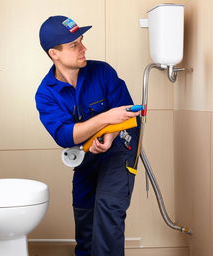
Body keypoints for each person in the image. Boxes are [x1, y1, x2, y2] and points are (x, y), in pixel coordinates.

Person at [35, 15, 140, 256]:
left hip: (119, 150)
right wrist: (104, 120)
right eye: (74, 45)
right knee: (85, 215)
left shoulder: (102, 72)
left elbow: (127, 115)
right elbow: (65, 136)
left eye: (81, 41)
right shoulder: (46, 94)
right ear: (54, 53)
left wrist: (108, 135)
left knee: (108, 208)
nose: (84, 48)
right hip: (86, 157)